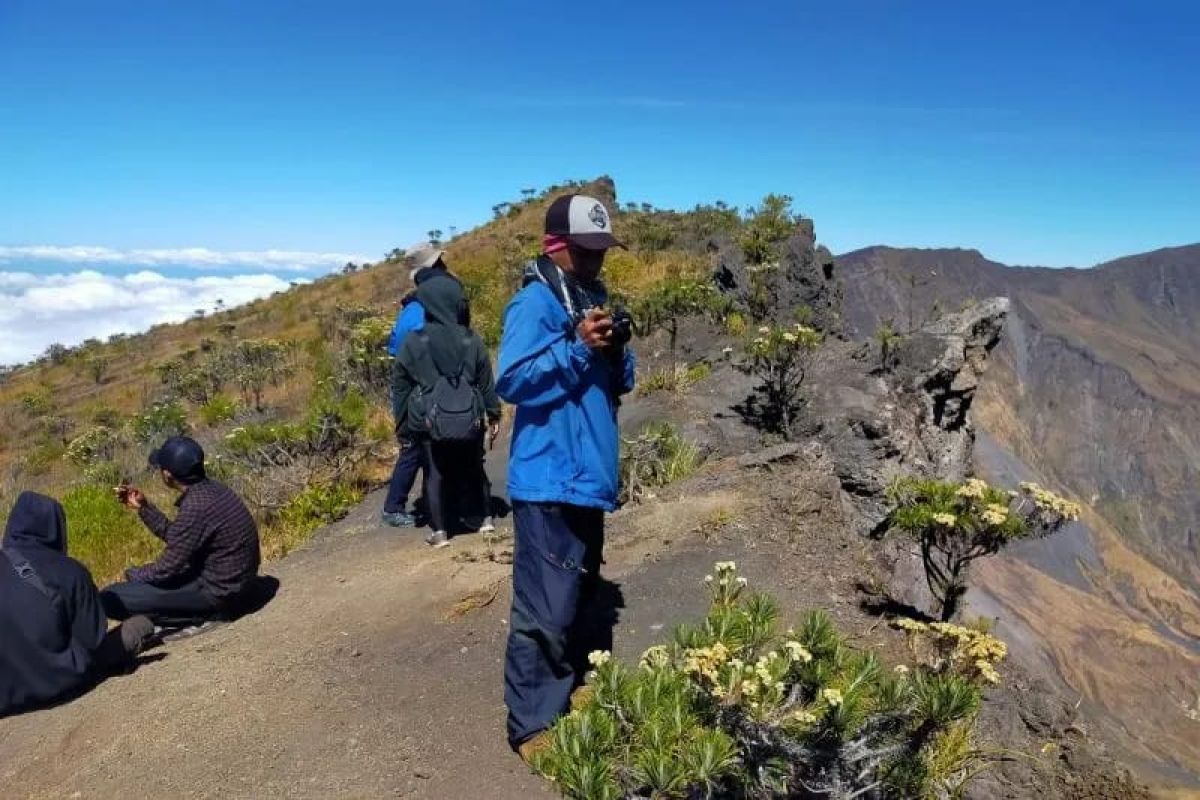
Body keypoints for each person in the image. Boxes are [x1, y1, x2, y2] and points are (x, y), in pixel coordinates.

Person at [496, 194, 635, 760]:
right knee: (543, 610)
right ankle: (531, 726)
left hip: (585, 478)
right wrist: (578, 348)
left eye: (602, 250)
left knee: (573, 598)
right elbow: (514, 380)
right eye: (586, 250)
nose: (597, 261)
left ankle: (564, 693)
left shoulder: (591, 299)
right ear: (557, 245)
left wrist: (615, 349)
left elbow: (616, 386)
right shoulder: (534, 303)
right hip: (549, 479)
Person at [2, 492, 154, 716]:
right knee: (140, 625)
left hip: (4, 699)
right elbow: (91, 640)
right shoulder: (70, 571)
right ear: (56, 529)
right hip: (60, 683)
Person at [100, 436, 261, 624]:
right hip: (237, 583)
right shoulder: (213, 490)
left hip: (221, 594)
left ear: (167, 475)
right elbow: (181, 537)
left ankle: (204, 616)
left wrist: (133, 576)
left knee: (111, 598)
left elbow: (167, 568)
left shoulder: (196, 506)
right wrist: (144, 507)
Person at [391, 271, 500, 548]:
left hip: (430, 421)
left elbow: (401, 384)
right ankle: (484, 517)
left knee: (435, 473)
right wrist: (494, 413)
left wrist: (402, 423)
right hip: (470, 417)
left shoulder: (414, 341)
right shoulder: (471, 339)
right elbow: (486, 379)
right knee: (474, 467)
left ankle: (440, 532)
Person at [381, 243, 469, 528]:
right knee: (418, 447)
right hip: (426, 389)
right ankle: (396, 508)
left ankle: (411, 505)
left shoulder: (413, 305)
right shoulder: (426, 306)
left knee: (420, 447)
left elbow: (395, 348)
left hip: (418, 387)